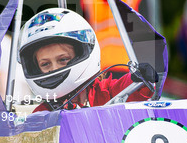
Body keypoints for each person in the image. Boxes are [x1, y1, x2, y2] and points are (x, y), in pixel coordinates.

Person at [18, 8, 154, 113]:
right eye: (45, 64)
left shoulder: (106, 93)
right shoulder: (43, 113)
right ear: (35, 67)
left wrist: (138, 78)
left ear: (81, 54)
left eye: (63, 59)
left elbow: (127, 89)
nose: (54, 69)